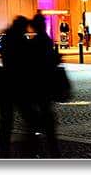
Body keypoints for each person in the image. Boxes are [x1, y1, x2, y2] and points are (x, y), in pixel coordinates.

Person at [25, 13, 62, 157]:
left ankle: (35, 147)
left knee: (38, 116)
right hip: (45, 84)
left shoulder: (36, 42)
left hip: (37, 84)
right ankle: (51, 148)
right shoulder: (46, 41)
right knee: (46, 115)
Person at [0, 16, 29, 158]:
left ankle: (4, 149)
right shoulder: (21, 40)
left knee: (6, 120)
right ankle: (28, 147)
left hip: (5, 83)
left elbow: (2, 53)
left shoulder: (7, 38)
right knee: (28, 117)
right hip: (18, 84)